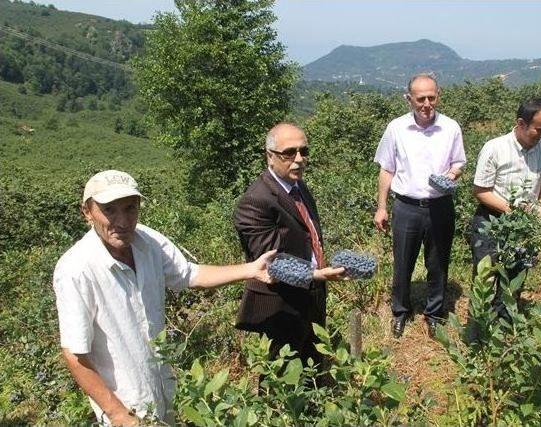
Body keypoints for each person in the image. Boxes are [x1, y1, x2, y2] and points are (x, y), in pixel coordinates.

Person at [53, 170, 275, 426]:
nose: (122, 221)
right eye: (109, 210)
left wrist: (251, 269)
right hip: (126, 402)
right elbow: (75, 354)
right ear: (87, 212)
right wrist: (117, 413)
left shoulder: (148, 242)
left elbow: (188, 274)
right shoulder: (76, 269)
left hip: (162, 388)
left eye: (130, 208)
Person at [234, 123, 345, 367]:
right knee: (282, 376)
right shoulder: (256, 201)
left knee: (313, 365)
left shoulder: (298, 186)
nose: (298, 160)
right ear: (270, 156)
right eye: (289, 153)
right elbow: (271, 264)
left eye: (303, 152)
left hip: (312, 294)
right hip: (280, 304)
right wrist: (317, 274)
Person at [374, 73, 466, 338]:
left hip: (440, 205)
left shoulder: (451, 128)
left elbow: (458, 163)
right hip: (406, 206)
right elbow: (386, 169)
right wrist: (381, 207)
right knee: (402, 263)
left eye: (431, 97)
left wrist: (449, 176)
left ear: (439, 95)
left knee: (438, 262)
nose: (426, 104)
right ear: (409, 99)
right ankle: (400, 312)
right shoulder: (396, 128)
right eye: (420, 99)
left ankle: (434, 313)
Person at [469, 98, 541, 320]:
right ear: (521, 123)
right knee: (486, 276)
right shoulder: (495, 148)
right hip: (491, 219)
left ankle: (505, 325)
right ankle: (479, 326)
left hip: (525, 225)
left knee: (515, 277)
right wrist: (512, 210)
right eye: (539, 129)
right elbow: (481, 190)